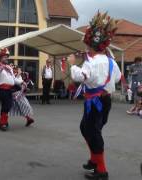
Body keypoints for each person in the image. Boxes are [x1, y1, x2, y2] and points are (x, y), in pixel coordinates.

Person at [68, 12, 121, 179]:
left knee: (92, 132)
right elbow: (118, 77)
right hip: (104, 101)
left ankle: (102, 170)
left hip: (95, 102)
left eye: (86, 45)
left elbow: (79, 77)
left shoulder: (91, 62)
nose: (85, 48)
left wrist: (72, 64)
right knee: (86, 129)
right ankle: (94, 160)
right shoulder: (111, 61)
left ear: (91, 45)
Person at [0, 48, 23, 131]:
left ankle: (1, 123)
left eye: (7, 57)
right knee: (7, 105)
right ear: (0, 58)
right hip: (3, 89)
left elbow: (14, 79)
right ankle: (3, 123)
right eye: (4, 57)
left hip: (9, 89)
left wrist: (22, 82)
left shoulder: (9, 68)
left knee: (6, 106)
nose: (6, 58)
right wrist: (0, 69)